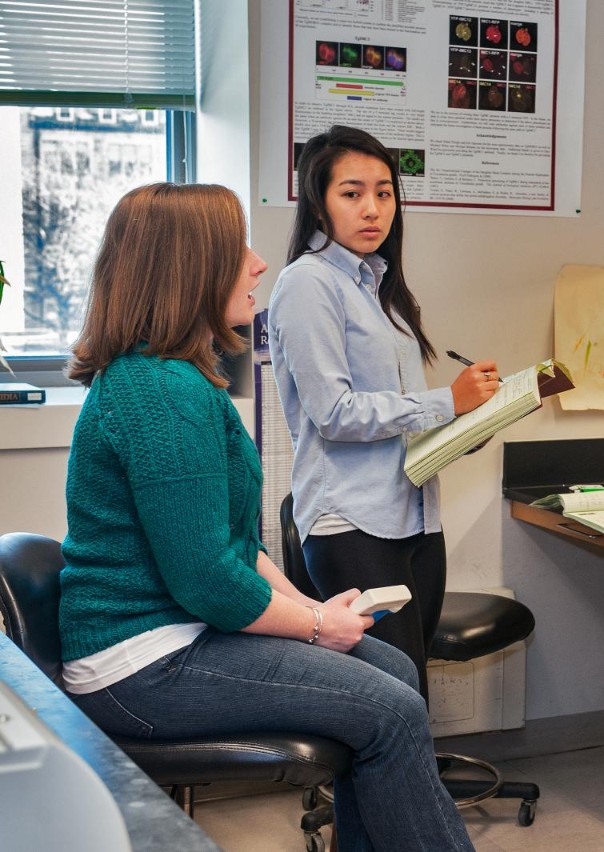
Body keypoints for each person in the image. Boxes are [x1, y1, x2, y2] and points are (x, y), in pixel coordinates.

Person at [58, 182, 474, 852]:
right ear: (190, 269)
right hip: (140, 664)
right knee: (393, 707)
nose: (258, 264)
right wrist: (315, 625)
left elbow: (234, 544)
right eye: (239, 249)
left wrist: (311, 612)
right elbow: (209, 581)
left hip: (178, 636)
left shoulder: (182, 380)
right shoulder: (160, 392)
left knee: (393, 675)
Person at [269, 125, 499, 695]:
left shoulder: (379, 285)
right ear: (318, 204)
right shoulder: (308, 283)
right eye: (352, 193)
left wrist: (470, 420)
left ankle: (412, 787)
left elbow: (397, 416)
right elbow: (336, 413)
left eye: (385, 192)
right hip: (351, 523)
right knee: (390, 697)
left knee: (409, 691)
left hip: (415, 516)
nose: (372, 209)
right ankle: (406, 789)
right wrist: (446, 400)